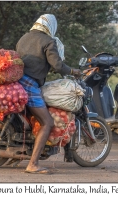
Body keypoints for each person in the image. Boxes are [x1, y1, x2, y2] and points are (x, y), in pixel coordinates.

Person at [17, 14, 81, 174]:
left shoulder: (24, 38)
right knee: (47, 122)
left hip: (16, 81)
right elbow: (58, 65)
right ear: (51, 27)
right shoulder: (48, 41)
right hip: (30, 85)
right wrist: (73, 71)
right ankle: (33, 164)